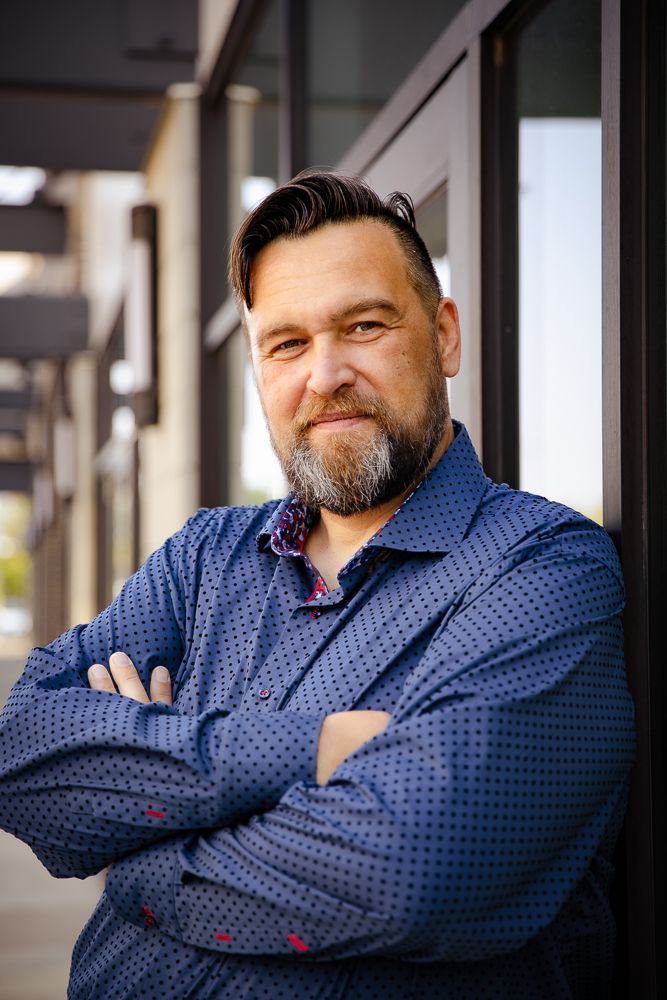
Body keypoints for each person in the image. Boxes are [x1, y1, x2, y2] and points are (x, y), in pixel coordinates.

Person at [0, 171, 634, 999]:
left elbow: (411, 873)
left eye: (364, 325)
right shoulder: (205, 557)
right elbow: (23, 753)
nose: (324, 373)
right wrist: (312, 749)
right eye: (287, 343)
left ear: (443, 335)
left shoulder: (541, 568)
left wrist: (133, 849)